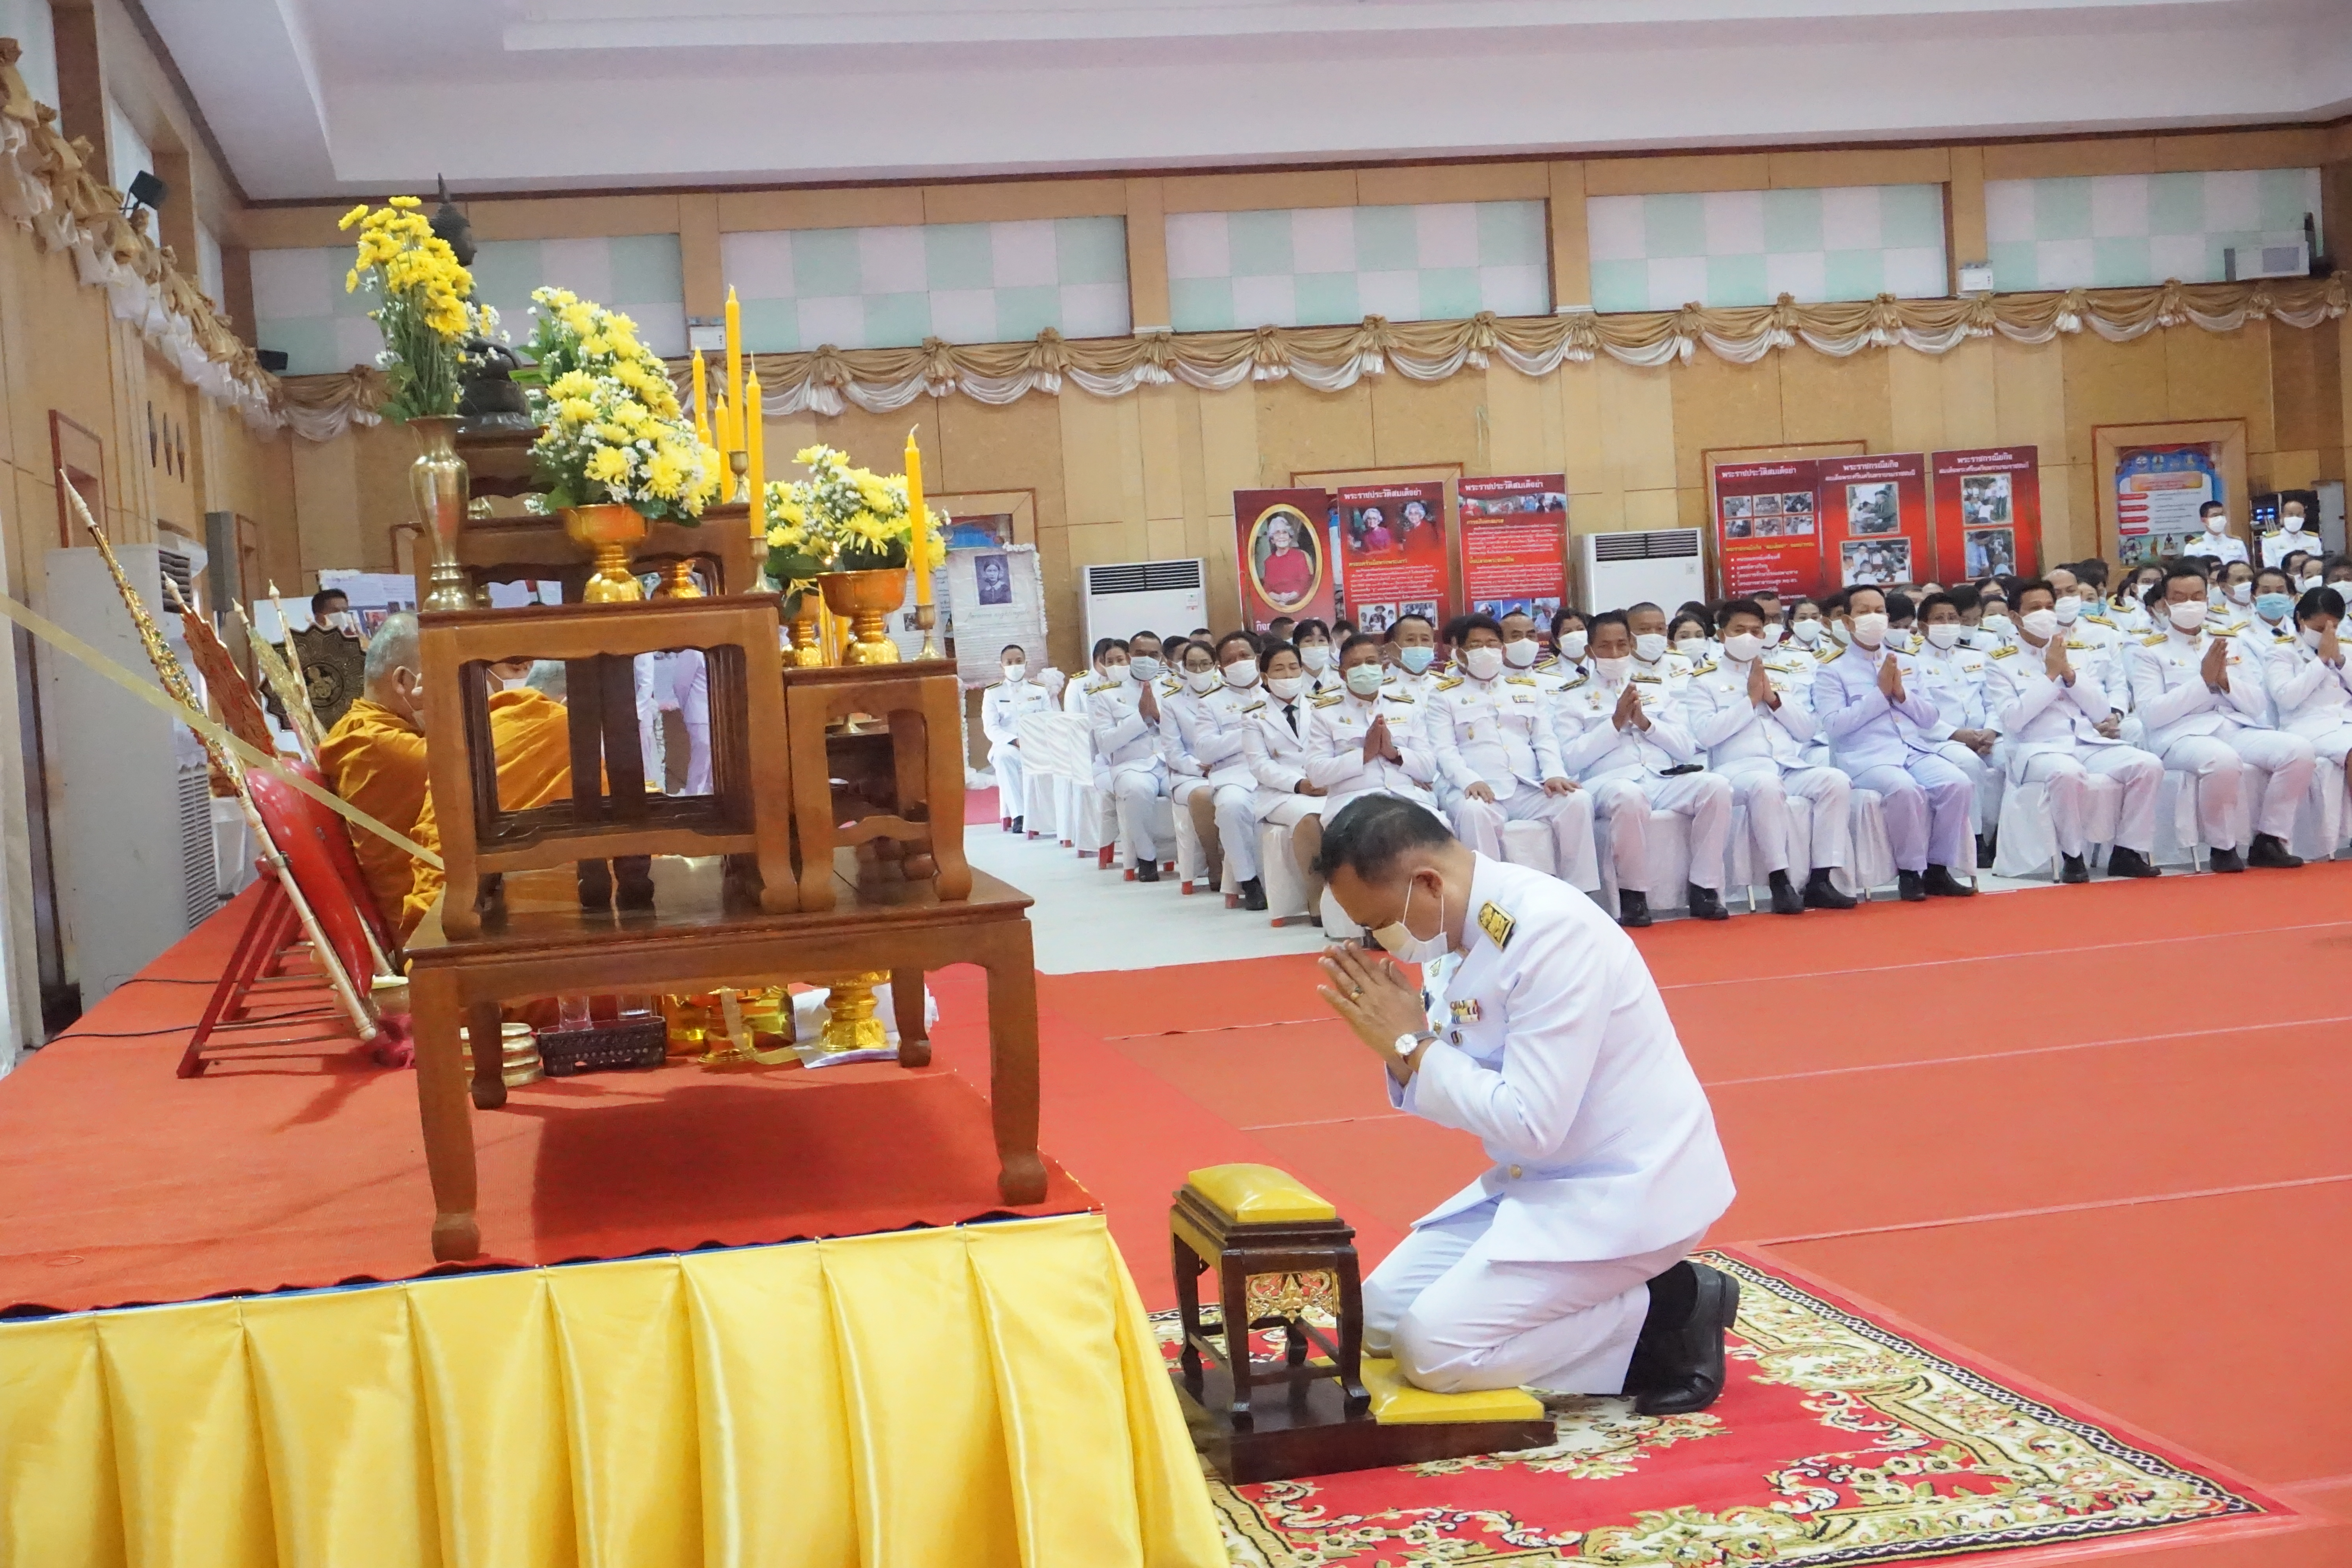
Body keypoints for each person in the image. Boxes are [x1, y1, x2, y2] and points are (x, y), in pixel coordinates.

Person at [1310, 795, 1737, 1410]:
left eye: (1379, 922)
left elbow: (1531, 1121)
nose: (1379, 941)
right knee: (1376, 1319)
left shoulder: (1549, 933)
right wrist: (1407, 1048)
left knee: (1431, 1351)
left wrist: (1414, 1045)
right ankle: (1632, 1305)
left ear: (1428, 883)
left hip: (1627, 1190)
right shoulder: (1458, 929)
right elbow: (1468, 1081)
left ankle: (1672, 1309)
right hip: (1540, 1181)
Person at [2126, 563, 2310, 872]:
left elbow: (2256, 704)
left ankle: (2270, 838)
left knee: (2299, 751)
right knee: (2222, 760)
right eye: (2180, 598)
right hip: (2180, 736)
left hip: (2233, 726)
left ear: (2208, 600)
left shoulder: (2228, 640)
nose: (2190, 604)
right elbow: (2151, 714)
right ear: (2165, 603)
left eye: (2197, 597)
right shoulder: (2147, 650)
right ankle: (2222, 846)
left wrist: (2224, 682)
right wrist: (2203, 683)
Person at [1555, 612, 1734, 927]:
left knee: (1716, 786)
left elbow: (1684, 746)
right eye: (1605, 647)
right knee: (1629, 795)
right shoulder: (1571, 696)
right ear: (1590, 650)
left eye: (1621, 645)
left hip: (1661, 778)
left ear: (1632, 645)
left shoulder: (1656, 687)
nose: (1614, 654)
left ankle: (1705, 887)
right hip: (1608, 783)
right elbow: (1571, 759)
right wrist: (1614, 722)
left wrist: (1646, 724)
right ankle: (1633, 895)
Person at [1680, 598, 1857, 914]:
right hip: (1740, 770)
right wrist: (1749, 701)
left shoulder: (1780, 674)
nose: (1748, 636)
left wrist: (1773, 700)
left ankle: (1822, 877)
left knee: (1836, 781)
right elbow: (1705, 735)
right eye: (1739, 630)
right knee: (1766, 785)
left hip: (1788, 765)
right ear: (1722, 636)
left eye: (1756, 630)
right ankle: (1780, 879)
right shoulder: (1704, 680)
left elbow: (1806, 730)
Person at [1982, 580, 2164, 882]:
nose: (2045, 614)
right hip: (2037, 749)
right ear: (2015, 618)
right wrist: (2051, 675)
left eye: (2049, 607)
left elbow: (2100, 711)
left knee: (2147, 765)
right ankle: (2073, 855)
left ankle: (2127, 851)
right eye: (2035, 609)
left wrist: (2068, 673)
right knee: (2067, 773)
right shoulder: (2000, 662)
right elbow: (2014, 720)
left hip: (2086, 742)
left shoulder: (2077, 652)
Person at [1811, 585, 1977, 901]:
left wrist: (1901, 694)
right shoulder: (1832, 670)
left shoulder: (1908, 662)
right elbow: (1834, 726)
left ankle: (1938, 869)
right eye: (1864, 612)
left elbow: (1929, 718)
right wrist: (1880, 695)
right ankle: (1911, 873)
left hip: (1913, 750)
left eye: (1879, 612)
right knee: (1905, 789)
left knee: (1958, 783)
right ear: (1847, 622)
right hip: (1866, 758)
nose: (1873, 619)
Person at [402, 660, 586, 936]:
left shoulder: (485, 723)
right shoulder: (560, 727)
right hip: (476, 922)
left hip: (430, 919)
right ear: (571, 703)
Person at [1428, 613, 1600, 896]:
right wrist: (1469, 780)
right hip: (1476, 788)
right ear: (1460, 654)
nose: (1485, 652)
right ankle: (1490, 898)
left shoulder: (1528, 690)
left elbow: (1545, 739)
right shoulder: (1444, 695)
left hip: (1526, 787)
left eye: (1492, 644)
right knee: (1474, 812)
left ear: (1503, 650)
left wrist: (1554, 774)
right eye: (1475, 646)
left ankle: (1582, 892)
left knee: (1577, 800)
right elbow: (1444, 749)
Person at [317, 611, 431, 931]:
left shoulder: (366, 728)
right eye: (444, 677)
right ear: (404, 681)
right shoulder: (377, 744)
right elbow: (483, 768)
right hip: (424, 926)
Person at [1163, 633, 1272, 909]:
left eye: (1245, 656)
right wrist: (1251, 732)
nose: (1239, 663)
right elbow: (1206, 750)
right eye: (1231, 660)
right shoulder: (1211, 702)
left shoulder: (1277, 692)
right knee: (1231, 807)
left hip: (1279, 771)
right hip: (1234, 775)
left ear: (1257, 658)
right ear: (1221, 668)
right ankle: (1249, 882)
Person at [1240, 641, 1331, 915]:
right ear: (1265, 677)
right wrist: (1299, 784)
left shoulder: (1323, 706)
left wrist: (1324, 778)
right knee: (1310, 817)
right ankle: (1316, 896)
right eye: (1279, 670)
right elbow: (1260, 765)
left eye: (1294, 668)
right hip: (1281, 794)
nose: (1288, 675)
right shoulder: (1254, 717)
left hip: (1325, 784)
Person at [1305, 633, 1440, 817]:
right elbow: (1317, 775)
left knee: (1442, 833)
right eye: (1355, 665)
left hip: (1408, 800)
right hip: (1352, 805)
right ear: (1343, 674)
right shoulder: (1325, 714)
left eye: (1371, 662)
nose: (1364, 669)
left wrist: (1394, 754)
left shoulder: (1406, 708)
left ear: (1383, 668)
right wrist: (1365, 754)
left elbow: (1429, 770)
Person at [1085, 637, 1172, 881]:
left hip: (1169, 763)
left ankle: (1199, 859)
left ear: (1162, 658)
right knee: (1137, 791)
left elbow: (1187, 734)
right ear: (1130, 656)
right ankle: (1147, 858)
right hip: (1130, 765)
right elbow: (1105, 743)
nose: (1146, 660)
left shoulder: (1172, 689)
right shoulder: (1104, 695)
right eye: (1140, 653)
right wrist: (1142, 718)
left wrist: (1157, 715)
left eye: (1153, 655)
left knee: (1194, 791)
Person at [2269, 586, 2352, 766]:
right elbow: (2286, 699)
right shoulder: (2281, 652)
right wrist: (2321, 661)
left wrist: (2340, 661)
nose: (2327, 634)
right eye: (2320, 628)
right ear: (2300, 619)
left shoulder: (2346, 649)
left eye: (2334, 627)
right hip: (2310, 727)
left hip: (2347, 720)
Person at [983, 644, 1054, 834]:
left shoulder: (1039, 691)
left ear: (1026, 664)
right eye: (1010, 662)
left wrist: (1036, 741)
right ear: (1002, 666)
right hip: (1009, 746)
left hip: (1038, 746)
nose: (1014, 666)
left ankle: (1051, 816)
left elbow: (1051, 720)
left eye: (1019, 661)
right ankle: (1019, 816)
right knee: (1003, 757)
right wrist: (1015, 741)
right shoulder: (993, 692)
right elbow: (991, 728)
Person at [1258, 513, 1316, 607]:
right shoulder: (1269, 562)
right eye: (1277, 533)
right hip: (1277, 603)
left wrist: (1288, 599)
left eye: (1285, 532)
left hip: (1300, 603)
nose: (1281, 536)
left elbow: (1305, 583)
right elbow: (1267, 588)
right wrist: (1280, 598)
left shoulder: (1300, 556)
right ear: (1272, 540)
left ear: (1290, 538)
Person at [1293, 617, 1340, 695]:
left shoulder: (1340, 677)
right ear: (1297, 647)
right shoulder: (1291, 681)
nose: (1316, 646)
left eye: (1321, 641)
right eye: (1308, 641)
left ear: (1329, 643)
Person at [2194, 501, 2249, 566]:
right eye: (2215, 516)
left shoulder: (2237, 543)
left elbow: (2246, 568)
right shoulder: (2194, 546)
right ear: (2204, 521)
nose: (2220, 519)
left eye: (2222, 515)